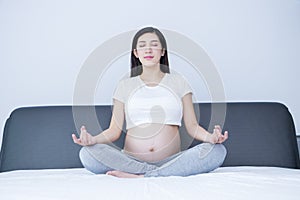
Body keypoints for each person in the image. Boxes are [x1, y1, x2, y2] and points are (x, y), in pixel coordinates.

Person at [72, 27, 228, 178]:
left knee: (217, 151)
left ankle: (144, 175)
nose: (148, 50)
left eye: (154, 45)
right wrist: (93, 140)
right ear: (136, 53)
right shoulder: (125, 85)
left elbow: (192, 127)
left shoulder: (178, 81)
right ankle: (154, 173)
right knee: (87, 154)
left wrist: (211, 137)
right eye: (142, 46)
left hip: (172, 161)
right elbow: (114, 131)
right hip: (131, 160)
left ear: (162, 51)